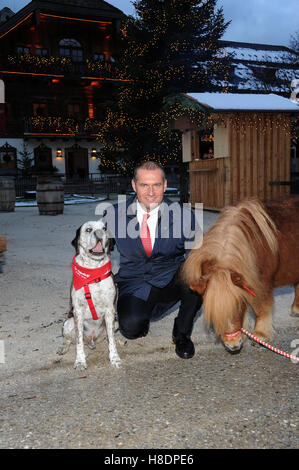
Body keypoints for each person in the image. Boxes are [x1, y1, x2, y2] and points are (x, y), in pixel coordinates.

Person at [104, 161, 202, 359]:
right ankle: (145, 312)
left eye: (156, 185)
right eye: (144, 185)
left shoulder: (185, 216)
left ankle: (182, 333)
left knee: (198, 279)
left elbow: (198, 254)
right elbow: (99, 253)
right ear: (134, 185)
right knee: (131, 330)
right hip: (134, 281)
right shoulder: (113, 214)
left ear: (165, 185)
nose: (150, 192)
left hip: (170, 277)